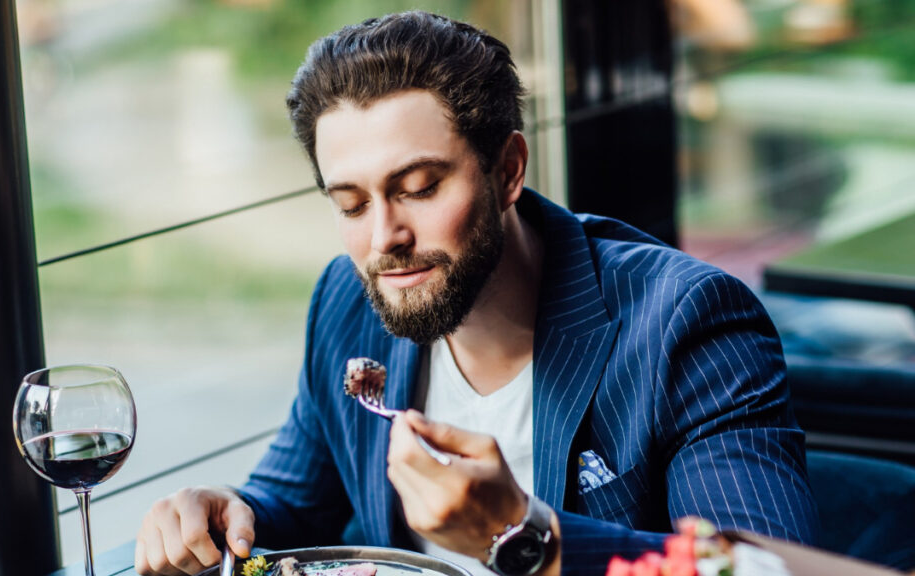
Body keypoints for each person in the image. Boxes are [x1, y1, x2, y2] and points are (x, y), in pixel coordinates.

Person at [135, 11, 818, 576]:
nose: (384, 239)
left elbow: (758, 567)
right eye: (350, 203)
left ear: (509, 171)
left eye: (420, 188)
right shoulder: (348, 300)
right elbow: (294, 497)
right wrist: (224, 507)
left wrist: (523, 532)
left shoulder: (686, 323)